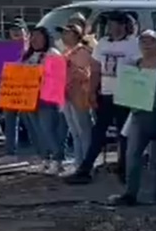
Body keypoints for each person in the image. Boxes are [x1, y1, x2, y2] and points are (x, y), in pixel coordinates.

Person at [65, 12, 139, 184]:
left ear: (125, 26)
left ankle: (125, 168)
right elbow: (96, 69)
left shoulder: (133, 44)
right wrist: (92, 91)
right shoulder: (103, 44)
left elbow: (138, 68)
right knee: (99, 132)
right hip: (106, 92)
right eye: (111, 24)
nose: (114, 28)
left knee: (124, 133)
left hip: (126, 94)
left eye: (118, 24)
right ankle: (86, 168)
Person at [112, 30, 156, 206]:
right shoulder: (134, 64)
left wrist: (155, 76)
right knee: (132, 155)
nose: (146, 45)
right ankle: (130, 194)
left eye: (151, 42)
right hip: (139, 115)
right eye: (143, 42)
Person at [19, 27, 65, 175]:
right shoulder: (28, 56)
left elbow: (58, 77)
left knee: (48, 130)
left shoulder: (53, 54)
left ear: (46, 38)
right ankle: (44, 159)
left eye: (38, 36)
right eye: (33, 36)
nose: (35, 39)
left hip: (47, 98)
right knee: (36, 131)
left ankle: (57, 161)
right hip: (29, 98)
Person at [60, 23, 97, 173]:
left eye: (67, 33)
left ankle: (88, 164)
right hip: (67, 95)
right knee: (74, 131)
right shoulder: (66, 52)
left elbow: (86, 74)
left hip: (80, 94)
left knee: (84, 130)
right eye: (62, 33)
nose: (63, 36)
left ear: (76, 35)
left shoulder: (82, 52)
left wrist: (71, 70)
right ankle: (78, 162)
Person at [1, 17, 29, 159]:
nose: (16, 32)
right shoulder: (6, 49)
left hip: (29, 90)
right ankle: (10, 152)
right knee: (10, 122)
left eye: (19, 29)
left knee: (32, 123)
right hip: (10, 89)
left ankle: (43, 154)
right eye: (13, 30)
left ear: (26, 32)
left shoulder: (31, 49)